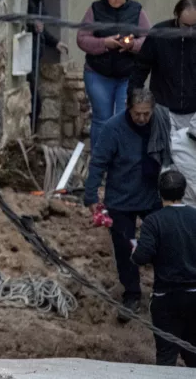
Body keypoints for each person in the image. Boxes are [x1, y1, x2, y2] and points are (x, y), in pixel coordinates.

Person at [84, 88, 163, 319]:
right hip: (120, 198)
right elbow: (98, 162)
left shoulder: (160, 123)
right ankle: (131, 293)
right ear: (128, 109)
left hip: (152, 195)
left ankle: (163, 291)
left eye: (146, 114)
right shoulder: (112, 129)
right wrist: (91, 195)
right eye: (137, 113)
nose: (142, 118)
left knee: (163, 243)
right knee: (124, 248)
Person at [76, 0, 151, 149]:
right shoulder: (95, 9)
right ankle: (100, 161)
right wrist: (104, 43)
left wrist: (132, 45)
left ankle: (120, 160)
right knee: (102, 118)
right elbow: (82, 39)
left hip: (127, 74)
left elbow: (149, 39)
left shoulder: (136, 10)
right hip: (98, 74)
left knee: (123, 118)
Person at [131, 170, 196, 367]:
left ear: (159, 193)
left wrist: (134, 250)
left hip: (166, 298)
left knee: (166, 356)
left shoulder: (154, 221)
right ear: (184, 191)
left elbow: (142, 257)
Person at [130, 0, 196, 132]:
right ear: (176, 16)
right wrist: (133, 96)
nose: (189, 31)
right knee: (163, 150)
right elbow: (141, 67)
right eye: (185, 26)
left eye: (194, 26)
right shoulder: (159, 34)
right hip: (163, 108)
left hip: (194, 111)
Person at [26, 0, 70, 132]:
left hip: (35, 59)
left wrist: (55, 43)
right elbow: (21, 21)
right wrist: (31, 24)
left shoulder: (39, 1)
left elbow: (41, 27)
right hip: (25, 60)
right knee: (34, 103)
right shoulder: (28, 1)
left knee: (36, 103)